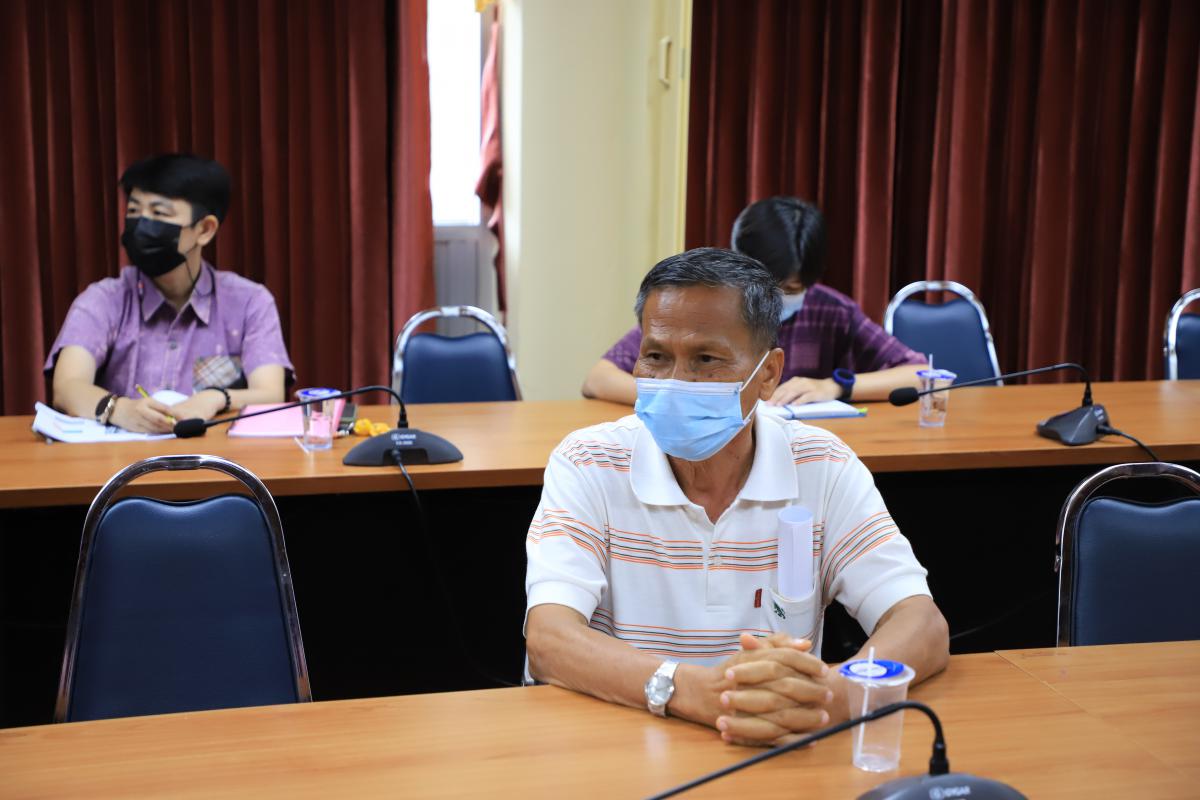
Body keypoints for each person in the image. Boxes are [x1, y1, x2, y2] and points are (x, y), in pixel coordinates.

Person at [527, 248, 948, 746]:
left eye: (705, 360)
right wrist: (689, 690)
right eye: (656, 356)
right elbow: (550, 639)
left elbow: (920, 623)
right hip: (619, 741)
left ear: (768, 375)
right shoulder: (588, 461)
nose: (674, 382)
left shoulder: (823, 465)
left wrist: (832, 697)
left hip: (779, 746)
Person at [582, 197, 927, 406]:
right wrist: (682, 401)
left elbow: (924, 375)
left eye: (790, 289)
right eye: (766, 287)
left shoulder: (831, 311)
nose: (775, 301)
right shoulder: (706, 307)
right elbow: (599, 379)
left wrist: (835, 386)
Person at [46, 153, 293, 433]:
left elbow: (270, 394)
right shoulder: (103, 300)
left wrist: (216, 398)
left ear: (205, 230)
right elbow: (67, 388)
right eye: (134, 211)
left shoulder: (249, 302)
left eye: (159, 214)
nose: (142, 225)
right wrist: (119, 409)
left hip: (214, 457)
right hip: (120, 456)